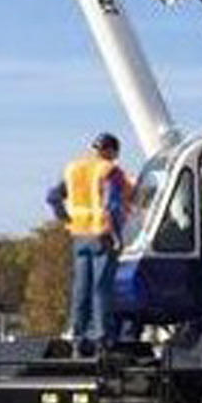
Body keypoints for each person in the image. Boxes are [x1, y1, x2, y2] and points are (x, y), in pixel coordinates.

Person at [46, 132, 130, 347]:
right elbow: (113, 205)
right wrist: (117, 235)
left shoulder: (74, 169)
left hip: (79, 235)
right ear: (110, 151)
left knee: (81, 285)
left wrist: (67, 218)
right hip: (102, 235)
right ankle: (101, 335)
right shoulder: (109, 171)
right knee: (101, 286)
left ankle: (77, 332)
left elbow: (53, 197)